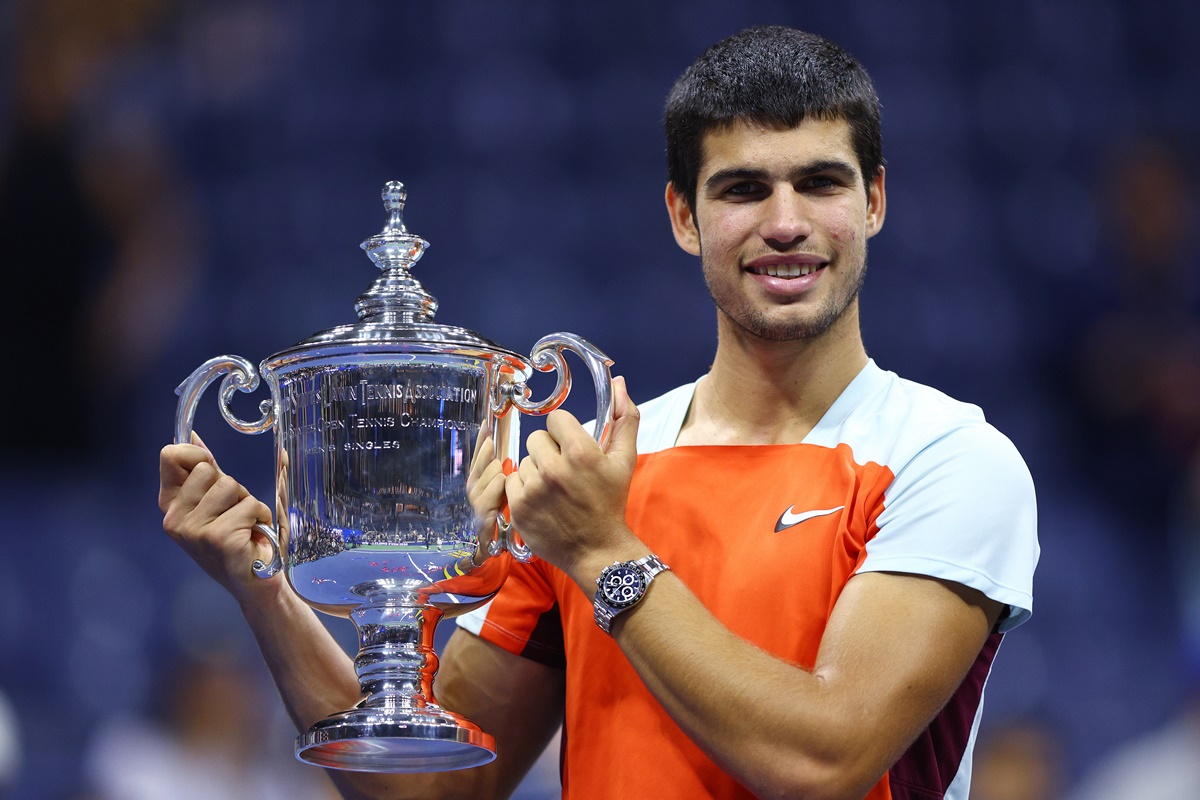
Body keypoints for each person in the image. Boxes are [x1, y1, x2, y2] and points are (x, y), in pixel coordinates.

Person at [159, 26, 1038, 800]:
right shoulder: (592, 483)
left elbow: (824, 759)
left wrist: (605, 555)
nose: (785, 223)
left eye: (820, 183)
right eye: (741, 190)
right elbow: (427, 795)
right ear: (683, 216)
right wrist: (264, 586)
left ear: (874, 201)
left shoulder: (948, 458)